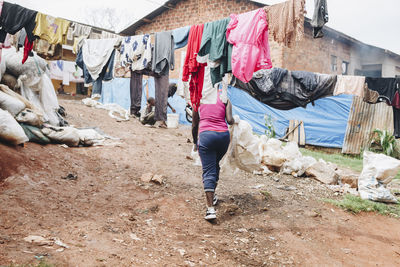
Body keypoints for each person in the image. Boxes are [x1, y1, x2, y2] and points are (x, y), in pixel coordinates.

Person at [192, 90, 235, 221]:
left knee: (209, 170)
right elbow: (229, 120)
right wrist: (235, 120)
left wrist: (195, 142)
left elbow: (194, 125)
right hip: (223, 137)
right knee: (215, 165)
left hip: (206, 136)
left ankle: (210, 210)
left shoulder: (199, 98)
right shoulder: (224, 97)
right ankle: (213, 195)